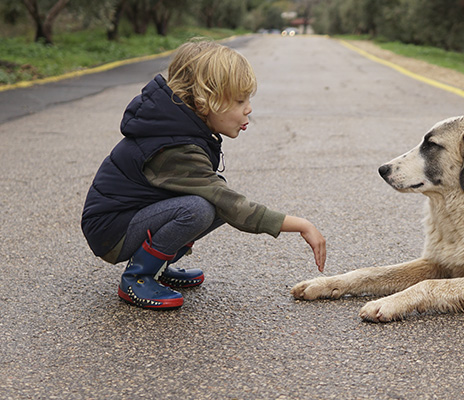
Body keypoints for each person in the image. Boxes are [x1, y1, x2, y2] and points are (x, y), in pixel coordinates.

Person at [81, 38, 326, 310]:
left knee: (215, 200)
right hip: (112, 231)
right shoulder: (174, 147)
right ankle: (138, 277)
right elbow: (232, 205)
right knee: (202, 208)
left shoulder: (180, 129)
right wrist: (301, 224)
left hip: (130, 218)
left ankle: (157, 266)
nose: (249, 109)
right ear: (205, 101)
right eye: (239, 101)